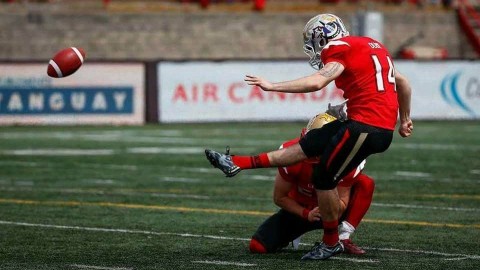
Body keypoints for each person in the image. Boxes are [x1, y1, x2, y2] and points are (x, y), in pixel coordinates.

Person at [205, 13, 413, 260]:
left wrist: (272, 86)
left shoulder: (338, 48)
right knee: (310, 143)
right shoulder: (373, 45)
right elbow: (403, 83)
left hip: (366, 126)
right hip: (368, 123)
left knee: (323, 179)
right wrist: (405, 118)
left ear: (322, 37)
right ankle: (236, 164)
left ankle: (331, 242)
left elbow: (317, 82)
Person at [250, 112, 375, 256]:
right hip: (301, 209)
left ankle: (343, 238)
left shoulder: (346, 158)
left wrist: (326, 206)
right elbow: (279, 197)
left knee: (365, 183)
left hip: (332, 212)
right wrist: (306, 213)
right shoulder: (291, 155)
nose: (315, 147)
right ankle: (292, 234)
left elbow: (341, 205)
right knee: (257, 246)